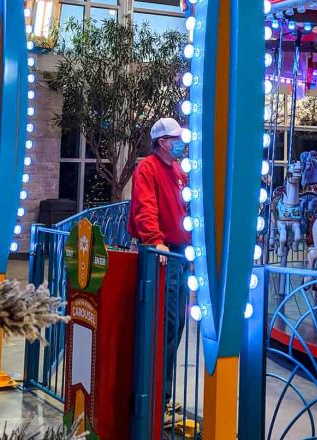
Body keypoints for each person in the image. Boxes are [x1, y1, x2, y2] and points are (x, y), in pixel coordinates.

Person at [127, 117, 189, 415]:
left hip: (180, 252)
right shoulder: (147, 168)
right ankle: (154, 395)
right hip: (165, 254)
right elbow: (144, 207)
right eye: (176, 139)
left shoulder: (177, 170)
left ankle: (161, 394)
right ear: (162, 142)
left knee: (175, 324)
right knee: (167, 322)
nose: (181, 144)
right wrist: (155, 241)